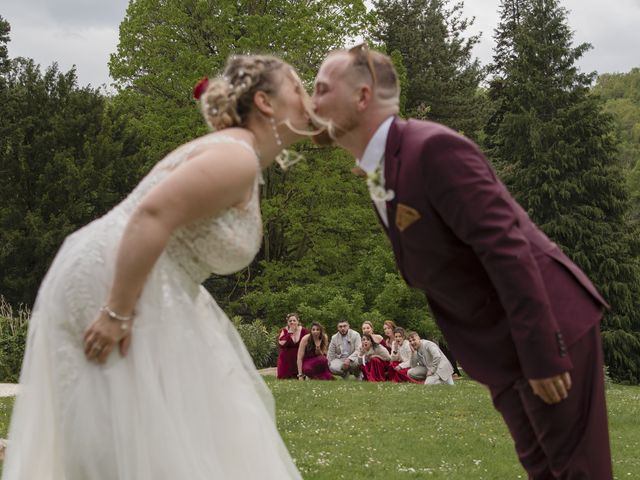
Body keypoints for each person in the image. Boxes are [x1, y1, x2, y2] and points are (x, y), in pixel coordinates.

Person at [2, 54, 323, 479]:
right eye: (299, 89)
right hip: (113, 279)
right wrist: (117, 310)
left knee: (160, 433)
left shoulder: (239, 156)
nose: (308, 99)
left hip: (146, 279)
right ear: (265, 102)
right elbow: (151, 215)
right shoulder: (237, 157)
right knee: (124, 441)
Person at [312, 44, 613, 478]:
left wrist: (543, 354)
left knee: (577, 472)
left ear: (362, 96)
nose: (313, 101)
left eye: (322, 88)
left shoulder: (431, 149)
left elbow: (507, 250)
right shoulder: (381, 169)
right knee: (545, 470)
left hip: (546, 330)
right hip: (502, 345)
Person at [276, 312, 309, 379]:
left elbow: (309, 343)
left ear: (298, 321)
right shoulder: (284, 330)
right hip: (286, 360)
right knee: (284, 378)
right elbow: (281, 344)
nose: (292, 322)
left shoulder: (304, 330)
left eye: (294, 320)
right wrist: (289, 333)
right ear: (287, 322)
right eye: (290, 321)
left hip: (299, 358)